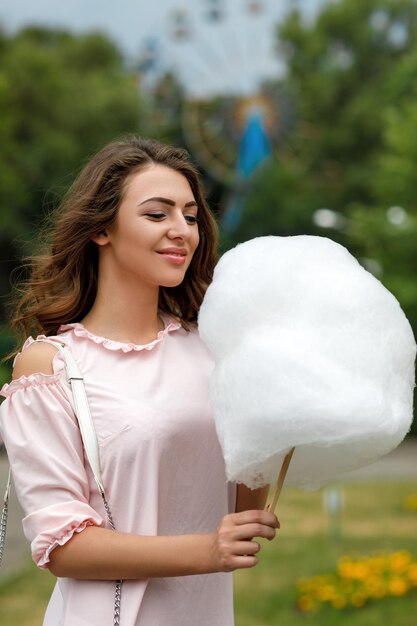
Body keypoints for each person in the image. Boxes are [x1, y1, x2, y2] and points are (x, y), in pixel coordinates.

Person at [0, 136, 279, 626]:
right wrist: (206, 550)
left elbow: (239, 503)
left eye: (190, 216)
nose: (182, 231)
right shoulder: (51, 366)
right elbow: (62, 545)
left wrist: (273, 410)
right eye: (157, 214)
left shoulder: (213, 350)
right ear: (101, 229)